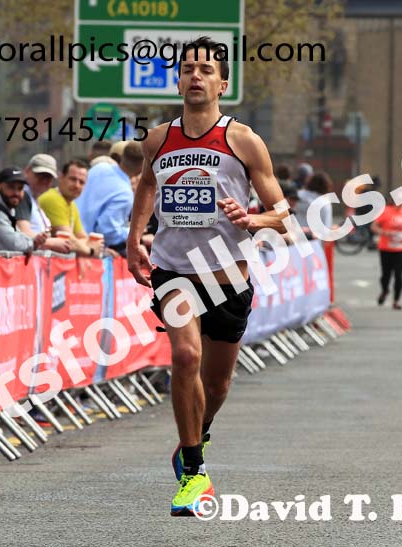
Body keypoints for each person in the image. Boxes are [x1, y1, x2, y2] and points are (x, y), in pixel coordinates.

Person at [126, 36, 287, 517]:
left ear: (223, 82)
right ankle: (194, 473)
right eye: (187, 69)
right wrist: (135, 238)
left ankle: (197, 435)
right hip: (174, 271)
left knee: (215, 387)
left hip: (228, 275)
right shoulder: (157, 139)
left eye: (205, 70)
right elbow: (148, 186)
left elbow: (281, 211)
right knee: (185, 354)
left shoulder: (243, 140)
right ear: (178, 80)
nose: (195, 76)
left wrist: (252, 219)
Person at [76, 141, 143, 257]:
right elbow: (107, 231)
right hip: (86, 250)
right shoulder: (125, 194)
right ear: (143, 165)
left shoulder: (100, 168)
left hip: (73, 239)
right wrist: (136, 232)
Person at [37, 159, 102, 257]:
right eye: (73, 179)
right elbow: (69, 239)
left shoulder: (71, 204)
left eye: (81, 182)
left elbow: (83, 238)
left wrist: (83, 245)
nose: (77, 185)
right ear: (61, 177)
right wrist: (91, 251)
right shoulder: (52, 199)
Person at [16, 154, 73, 254]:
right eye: (40, 174)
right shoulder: (23, 196)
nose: (45, 180)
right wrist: (53, 243)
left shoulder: (34, 198)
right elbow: (23, 233)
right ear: (27, 171)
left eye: (49, 176)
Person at [372, 200, 402, 309]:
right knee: (386, 275)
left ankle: (396, 300)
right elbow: (374, 227)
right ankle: (385, 290)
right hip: (386, 248)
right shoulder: (386, 212)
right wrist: (385, 233)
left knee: (399, 275)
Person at [294, 171, 333, 237]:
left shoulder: (296, 195)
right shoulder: (325, 203)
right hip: (313, 243)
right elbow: (326, 230)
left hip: (293, 239)